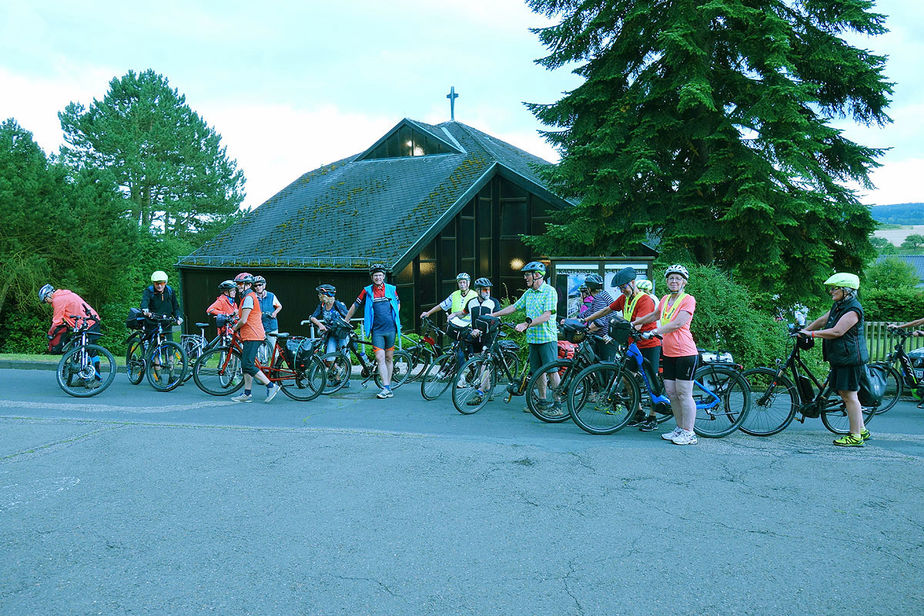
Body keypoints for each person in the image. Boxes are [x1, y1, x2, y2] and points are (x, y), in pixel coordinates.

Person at [583, 267, 662, 430]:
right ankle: (638, 413)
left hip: (648, 345)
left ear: (633, 283)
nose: (622, 290)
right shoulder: (624, 298)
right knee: (627, 378)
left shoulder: (645, 300)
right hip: (633, 345)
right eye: (620, 288)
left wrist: (613, 335)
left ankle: (653, 418)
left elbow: (638, 325)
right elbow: (607, 310)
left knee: (651, 381)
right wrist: (587, 318)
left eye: (624, 287)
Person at [800, 272, 871, 446]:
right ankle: (861, 429)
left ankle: (855, 436)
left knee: (849, 395)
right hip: (841, 357)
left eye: (835, 288)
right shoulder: (839, 306)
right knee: (845, 393)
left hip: (850, 358)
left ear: (846, 290)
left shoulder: (853, 309)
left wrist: (812, 334)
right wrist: (804, 331)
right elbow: (823, 320)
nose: (831, 291)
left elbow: (838, 331)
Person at [632, 264, 698, 445]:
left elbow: (678, 323)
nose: (674, 281)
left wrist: (655, 332)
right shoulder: (665, 299)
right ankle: (679, 428)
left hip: (685, 353)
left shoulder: (688, 299)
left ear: (684, 282)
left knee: (684, 394)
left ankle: (689, 432)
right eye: (671, 278)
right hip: (668, 352)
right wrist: (634, 323)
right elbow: (654, 315)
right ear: (667, 281)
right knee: (672, 393)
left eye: (678, 278)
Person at [489, 261, 561, 414]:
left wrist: (526, 325)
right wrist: (493, 315)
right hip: (533, 339)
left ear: (537, 275)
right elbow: (514, 307)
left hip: (547, 338)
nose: (525, 277)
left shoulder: (549, 291)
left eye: (528, 274)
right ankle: (542, 401)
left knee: (552, 371)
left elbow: (547, 316)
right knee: (537, 372)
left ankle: (558, 405)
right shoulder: (529, 293)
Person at [344, 263, 402, 399]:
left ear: (383, 276)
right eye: (375, 275)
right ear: (372, 277)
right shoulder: (367, 291)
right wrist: (346, 320)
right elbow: (355, 305)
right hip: (377, 331)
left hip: (391, 329)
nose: (378, 277)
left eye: (380, 275)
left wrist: (395, 315)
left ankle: (388, 386)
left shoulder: (391, 289)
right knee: (379, 357)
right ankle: (386, 387)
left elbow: (398, 302)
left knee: (389, 358)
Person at [230, 272, 278, 403]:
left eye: (240, 284)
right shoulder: (246, 298)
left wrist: (234, 327)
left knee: (248, 364)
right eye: (237, 284)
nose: (238, 286)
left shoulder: (249, 298)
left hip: (253, 335)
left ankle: (271, 386)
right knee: (246, 365)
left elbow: (244, 320)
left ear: (248, 285)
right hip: (249, 335)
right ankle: (247, 393)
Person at [39, 285, 102, 373]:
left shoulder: (57, 300)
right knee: (85, 350)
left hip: (88, 323)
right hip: (88, 321)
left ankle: (97, 378)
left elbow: (57, 321)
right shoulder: (66, 294)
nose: (48, 303)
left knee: (90, 350)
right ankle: (85, 377)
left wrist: (50, 333)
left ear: (49, 295)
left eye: (46, 300)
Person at [421, 273, 478, 367]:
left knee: (467, 352)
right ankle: (461, 375)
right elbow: (442, 305)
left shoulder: (474, 295)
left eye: (464, 282)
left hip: (468, 328)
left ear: (468, 283)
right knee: (458, 351)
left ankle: (467, 374)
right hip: (455, 328)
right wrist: (428, 313)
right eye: (460, 282)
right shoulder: (454, 295)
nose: (462, 284)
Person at [580, 273, 615, 361]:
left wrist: (586, 331)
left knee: (606, 370)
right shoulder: (602, 295)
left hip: (605, 339)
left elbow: (599, 323)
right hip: (603, 337)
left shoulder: (600, 298)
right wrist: (574, 319)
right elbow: (589, 312)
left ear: (589, 288)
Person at [141, 270, 183, 340]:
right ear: (153, 283)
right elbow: (145, 301)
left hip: (166, 323)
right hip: (152, 322)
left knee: (169, 345)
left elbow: (175, 306)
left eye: (162, 283)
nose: (159, 286)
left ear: (165, 282)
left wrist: (178, 317)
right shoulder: (149, 291)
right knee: (153, 345)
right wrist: (145, 310)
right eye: (157, 283)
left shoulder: (170, 291)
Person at [310, 284, 351, 354]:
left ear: (326, 295)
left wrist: (343, 325)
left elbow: (348, 316)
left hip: (341, 334)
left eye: (320, 294)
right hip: (331, 333)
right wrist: (320, 325)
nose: (319, 296)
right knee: (329, 356)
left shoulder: (337, 304)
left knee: (345, 354)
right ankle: (336, 365)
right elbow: (312, 317)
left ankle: (348, 364)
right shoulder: (322, 305)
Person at [253, 275, 282, 361]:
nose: (258, 287)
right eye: (255, 285)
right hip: (259, 327)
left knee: (273, 350)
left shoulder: (271, 296)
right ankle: (263, 370)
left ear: (264, 285)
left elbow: (279, 306)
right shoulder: (253, 297)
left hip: (271, 326)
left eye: (260, 285)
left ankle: (274, 370)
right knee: (261, 351)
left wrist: (274, 313)